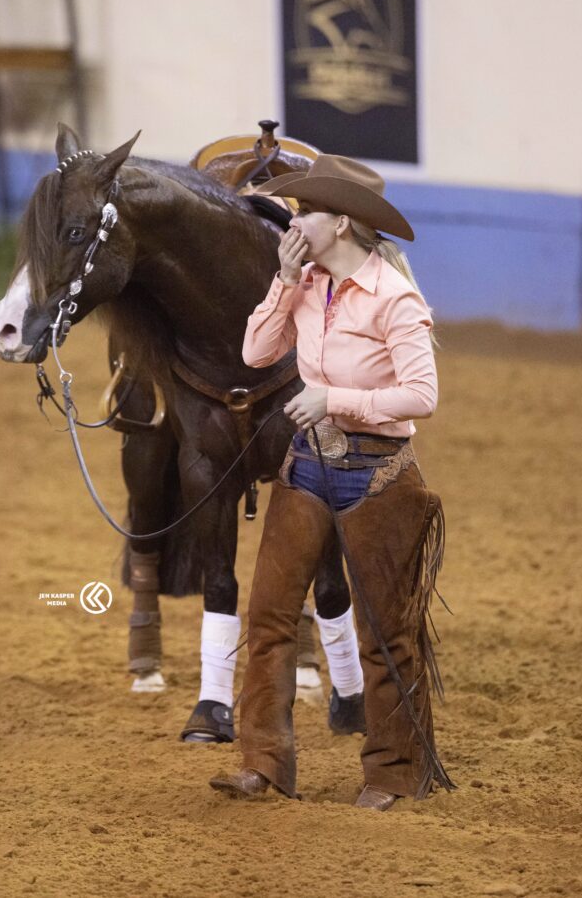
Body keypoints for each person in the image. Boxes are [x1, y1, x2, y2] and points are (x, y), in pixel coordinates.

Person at [209, 155, 454, 810]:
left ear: (341, 222)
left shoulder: (396, 299)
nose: (295, 219)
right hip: (311, 466)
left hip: (379, 474)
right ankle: (262, 763)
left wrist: (334, 399)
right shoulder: (307, 283)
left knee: (386, 631)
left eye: (307, 210)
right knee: (268, 617)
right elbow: (254, 354)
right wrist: (284, 282)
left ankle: (396, 771)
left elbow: (421, 396)